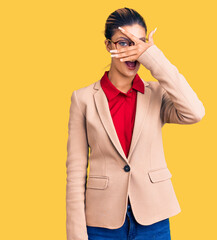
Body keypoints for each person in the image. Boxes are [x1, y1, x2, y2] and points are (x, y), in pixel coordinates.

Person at [65, 7, 205, 240]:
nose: (132, 52)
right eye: (123, 43)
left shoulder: (157, 93)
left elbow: (195, 112)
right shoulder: (83, 99)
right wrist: (76, 234)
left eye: (139, 43)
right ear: (108, 46)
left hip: (153, 220)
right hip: (102, 222)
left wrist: (153, 58)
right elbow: (76, 171)